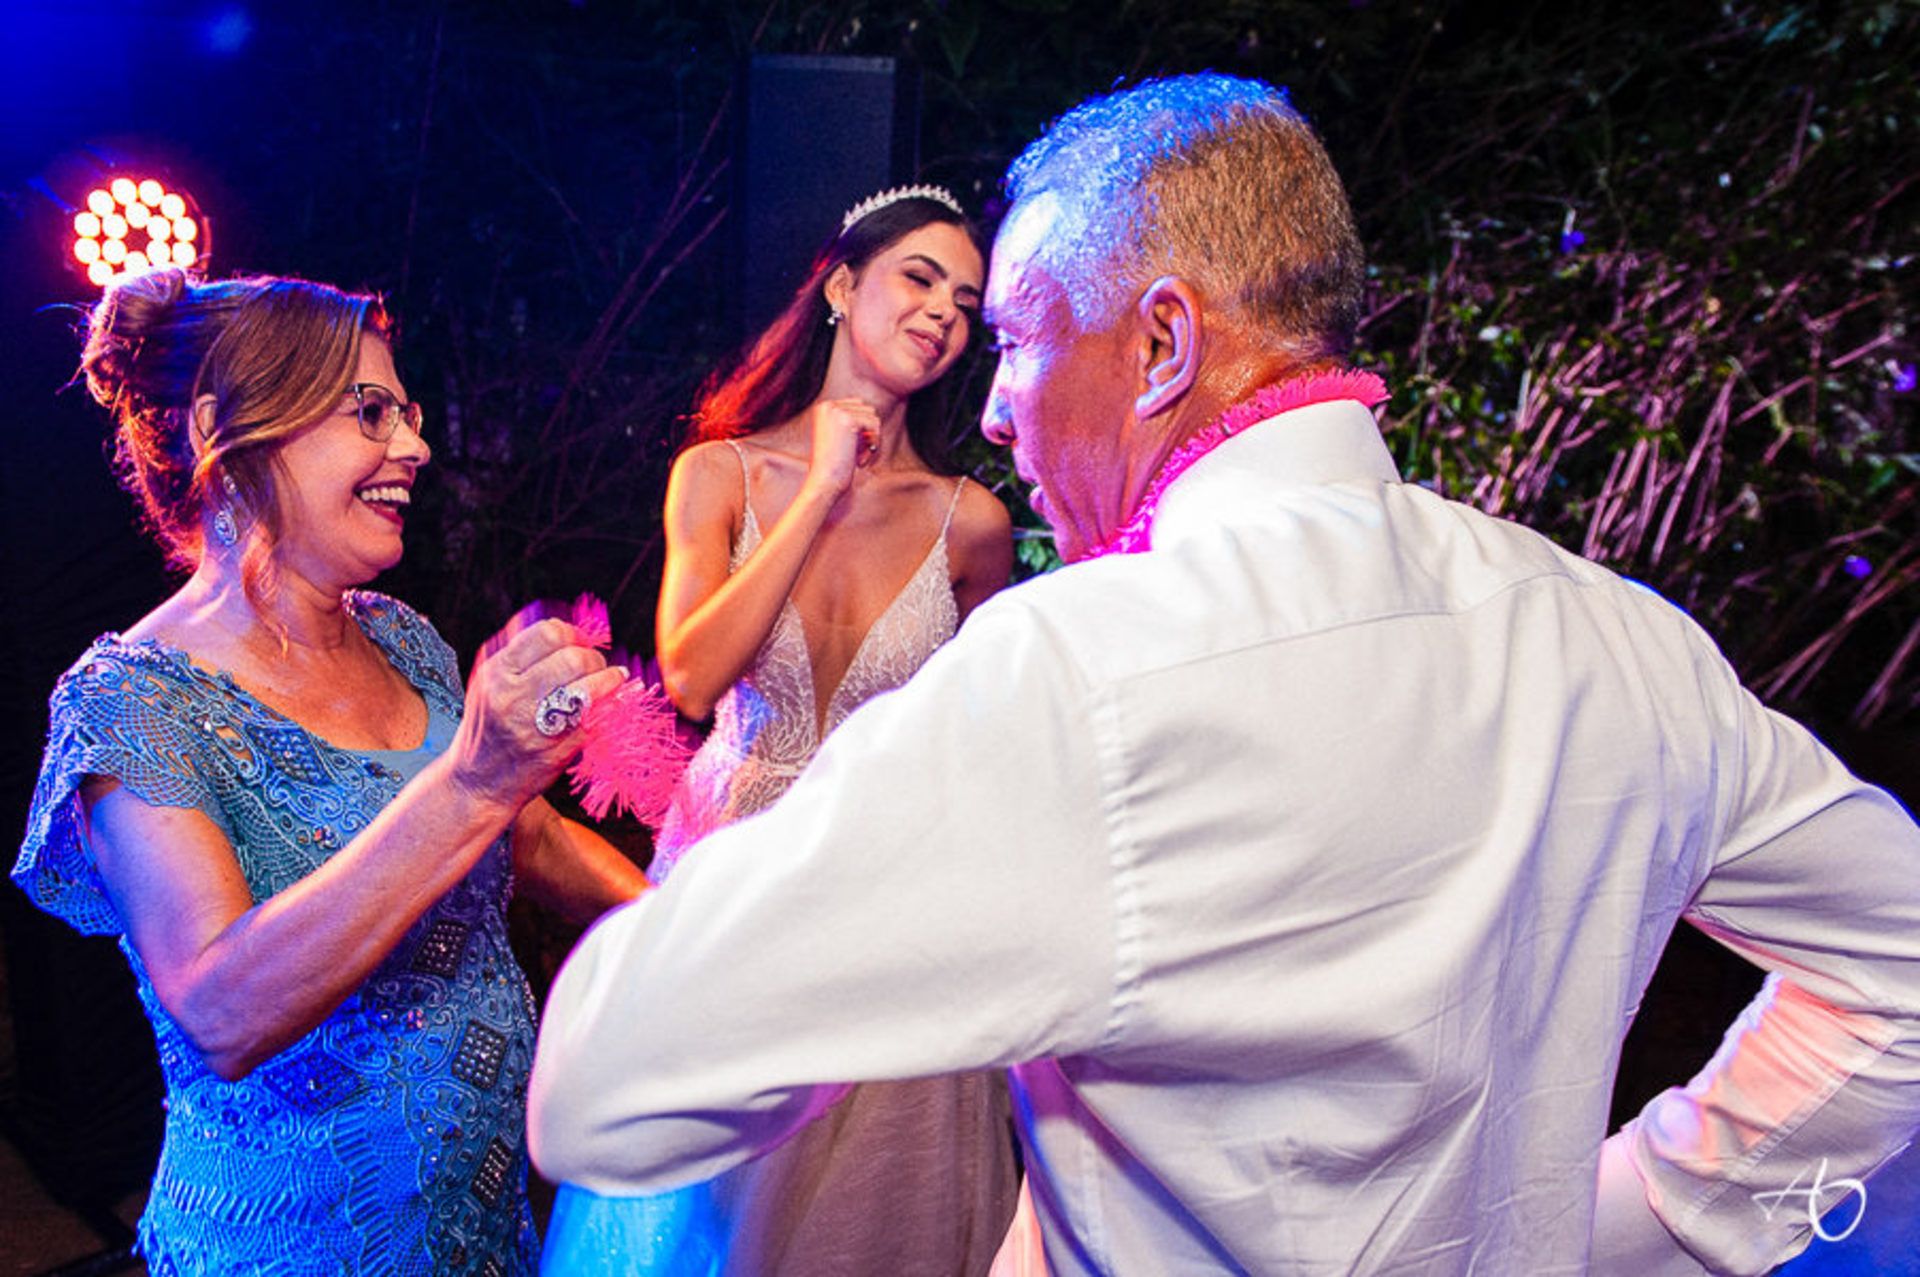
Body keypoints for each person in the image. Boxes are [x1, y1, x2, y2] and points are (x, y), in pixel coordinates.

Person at [526, 73, 1920, 1276]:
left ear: (1162, 345)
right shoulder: (1622, 641)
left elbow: (604, 1081)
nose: (997, 405)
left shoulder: (1082, 672)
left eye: (1016, 337)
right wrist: (1654, 1221)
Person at [13, 268, 648, 1275]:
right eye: (371, 413)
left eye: (409, 412)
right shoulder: (132, 702)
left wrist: (688, 921)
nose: (417, 447)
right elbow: (221, 1008)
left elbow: (523, 835)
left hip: (480, 1231)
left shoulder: (400, 639)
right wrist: (474, 780)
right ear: (234, 432)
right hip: (284, 1249)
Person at [539, 186, 1021, 1275]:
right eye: (919, 276)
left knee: (866, 1208)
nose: (944, 310)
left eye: (967, 299)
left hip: (889, 891)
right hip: (734, 863)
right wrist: (815, 494)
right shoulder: (717, 474)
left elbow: (991, 735)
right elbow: (695, 674)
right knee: (710, 1211)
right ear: (844, 287)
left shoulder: (972, 521)